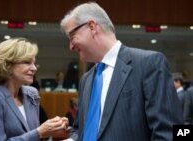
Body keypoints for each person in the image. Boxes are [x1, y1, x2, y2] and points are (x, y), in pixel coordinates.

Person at [60, 2, 183, 141]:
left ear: (92, 27)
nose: (70, 46)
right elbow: (80, 129)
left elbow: (169, 132)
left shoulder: (148, 64)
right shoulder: (86, 80)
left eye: (72, 37)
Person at [0, 38, 69, 141]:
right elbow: (35, 134)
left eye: (34, 63)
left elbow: (34, 134)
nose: (34, 68)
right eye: (27, 62)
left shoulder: (31, 93)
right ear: (7, 65)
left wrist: (52, 128)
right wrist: (39, 132)